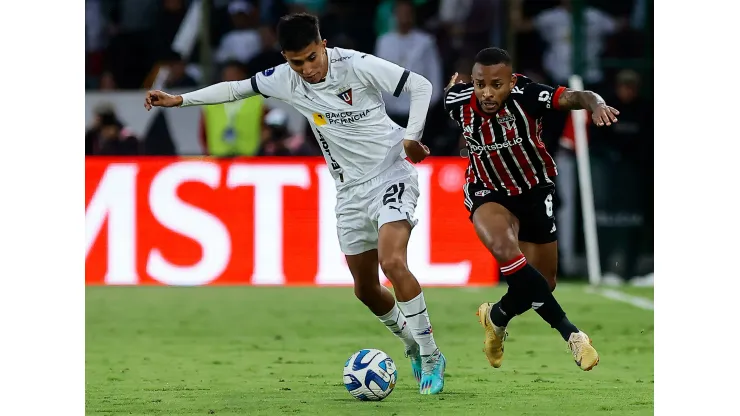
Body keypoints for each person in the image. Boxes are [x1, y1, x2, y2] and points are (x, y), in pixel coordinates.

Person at [144, 13, 446, 395]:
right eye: (295, 61)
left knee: (393, 262)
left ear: (322, 44)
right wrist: (180, 99)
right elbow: (237, 89)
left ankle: (432, 354)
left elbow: (420, 85)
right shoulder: (285, 78)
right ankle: (410, 344)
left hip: (392, 174)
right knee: (365, 290)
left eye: (310, 58)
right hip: (349, 192)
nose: (305, 69)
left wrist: (411, 137)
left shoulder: (356, 65)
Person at [444, 47, 619, 372]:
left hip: (534, 190)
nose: (487, 92)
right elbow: (462, 126)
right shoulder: (457, 101)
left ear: (511, 82)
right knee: (504, 250)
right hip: (488, 191)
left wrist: (597, 105)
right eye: (480, 83)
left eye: (496, 84)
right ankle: (572, 335)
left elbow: (577, 96)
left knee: (543, 282)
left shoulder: (529, 94)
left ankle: (496, 316)